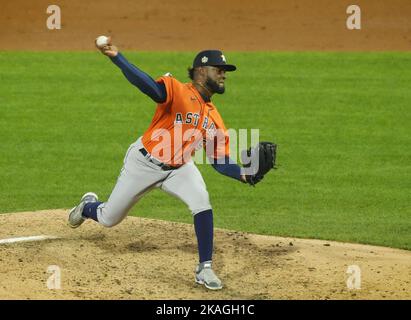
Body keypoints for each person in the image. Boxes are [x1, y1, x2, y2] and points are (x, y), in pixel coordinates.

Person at [68, 37, 254, 291]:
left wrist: (244, 174)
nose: (224, 75)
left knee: (202, 202)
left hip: (179, 168)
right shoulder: (178, 90)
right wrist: (117, 57)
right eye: (219, 70)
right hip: (143, 164)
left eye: (225, 72)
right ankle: (88, 206)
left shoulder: (215, 119)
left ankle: (205, 268)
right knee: (109, 218)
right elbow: (149, 87)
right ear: (201, 71)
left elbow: (220, 162)